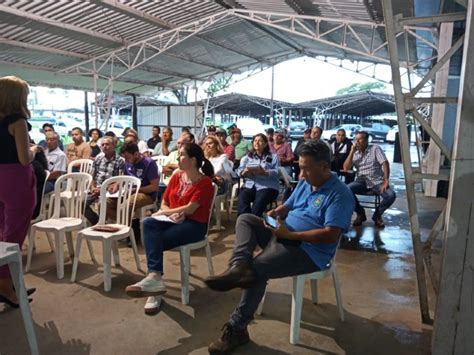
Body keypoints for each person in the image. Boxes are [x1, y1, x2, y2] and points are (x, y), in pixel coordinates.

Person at [204, 140, 355, 354]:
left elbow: (330, 235)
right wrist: (276, 214)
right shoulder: (306, 181)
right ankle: (238, 267)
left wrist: (291, 234)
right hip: (283, 234)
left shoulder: (339, 194)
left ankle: (237, 328)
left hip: (308, 251)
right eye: (300, 167)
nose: (301, 173)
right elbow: (289, 205)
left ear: (324, 167)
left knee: (257, 268)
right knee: (246, 219)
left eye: (306, 168)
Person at [125, 143, 215, 315]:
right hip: (171, 219)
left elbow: (190, 209)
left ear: (193, 160)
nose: (177, 158)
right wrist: (166, 213)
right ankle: (155, 279)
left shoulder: (205, 183)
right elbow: (165, 201)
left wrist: (168, 212)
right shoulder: (176, 176)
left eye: (181, 155)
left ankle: (154, 283)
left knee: (155, 241)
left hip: (194, 224)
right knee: (148, 224)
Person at [0, 76, 39, 307]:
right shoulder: (18, 121)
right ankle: (6, 284)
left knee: (2, 232)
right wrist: (35, 149)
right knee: (13, 236)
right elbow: (25, 159)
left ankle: (12, 282)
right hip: (15, 181)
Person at [343, 131, 396, 228]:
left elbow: (385, 163)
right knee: (346, 190)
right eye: (356, 139)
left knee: (391, 195)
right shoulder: (355, 153)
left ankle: (377, 216)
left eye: (360, 139)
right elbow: (346, 168)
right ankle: (360, 213)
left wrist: (386, 180)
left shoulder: (375, 148)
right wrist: (351, 152)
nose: (357, 142)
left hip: (376, 181)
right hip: (361, 180)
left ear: (367, 140)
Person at [107, 143, 160, 221]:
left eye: (128, 157)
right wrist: (116, 186)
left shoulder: (149, 163)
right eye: (124, 158)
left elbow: (154, 186)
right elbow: (124, 178)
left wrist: (135, 190)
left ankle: (124, 226)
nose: (126, 160)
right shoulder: (127, 162)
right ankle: (123, 224)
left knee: (126, 206)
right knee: (105, 203)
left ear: (136, 154)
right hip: (128, 192)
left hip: (146, 194)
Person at [84, 136, 125, 226]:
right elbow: (92, 175)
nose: (105, 146)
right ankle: (97, 221)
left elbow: (119, 180)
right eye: (102, 145)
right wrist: (93, 187)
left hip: (110, 190)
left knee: (102, 203)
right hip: (96, 188)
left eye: (107, 144)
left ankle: (103, 223)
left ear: (114, 146)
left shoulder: (120, 160)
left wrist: (102, 189)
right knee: (81, 203)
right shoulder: (98, 158)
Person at [236, 133, 280, 217]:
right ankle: (244, 222)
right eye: (255, 141)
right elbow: (239, 171)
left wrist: (265, 173)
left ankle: (254, 223)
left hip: (267, 186)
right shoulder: (247, 157)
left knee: (260, 200)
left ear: (265, 144)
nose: (257, 143)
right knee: (242, 197)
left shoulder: (273, 157)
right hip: (250, 186)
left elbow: (277, 172)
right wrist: (243, 173)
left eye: (260, 141)